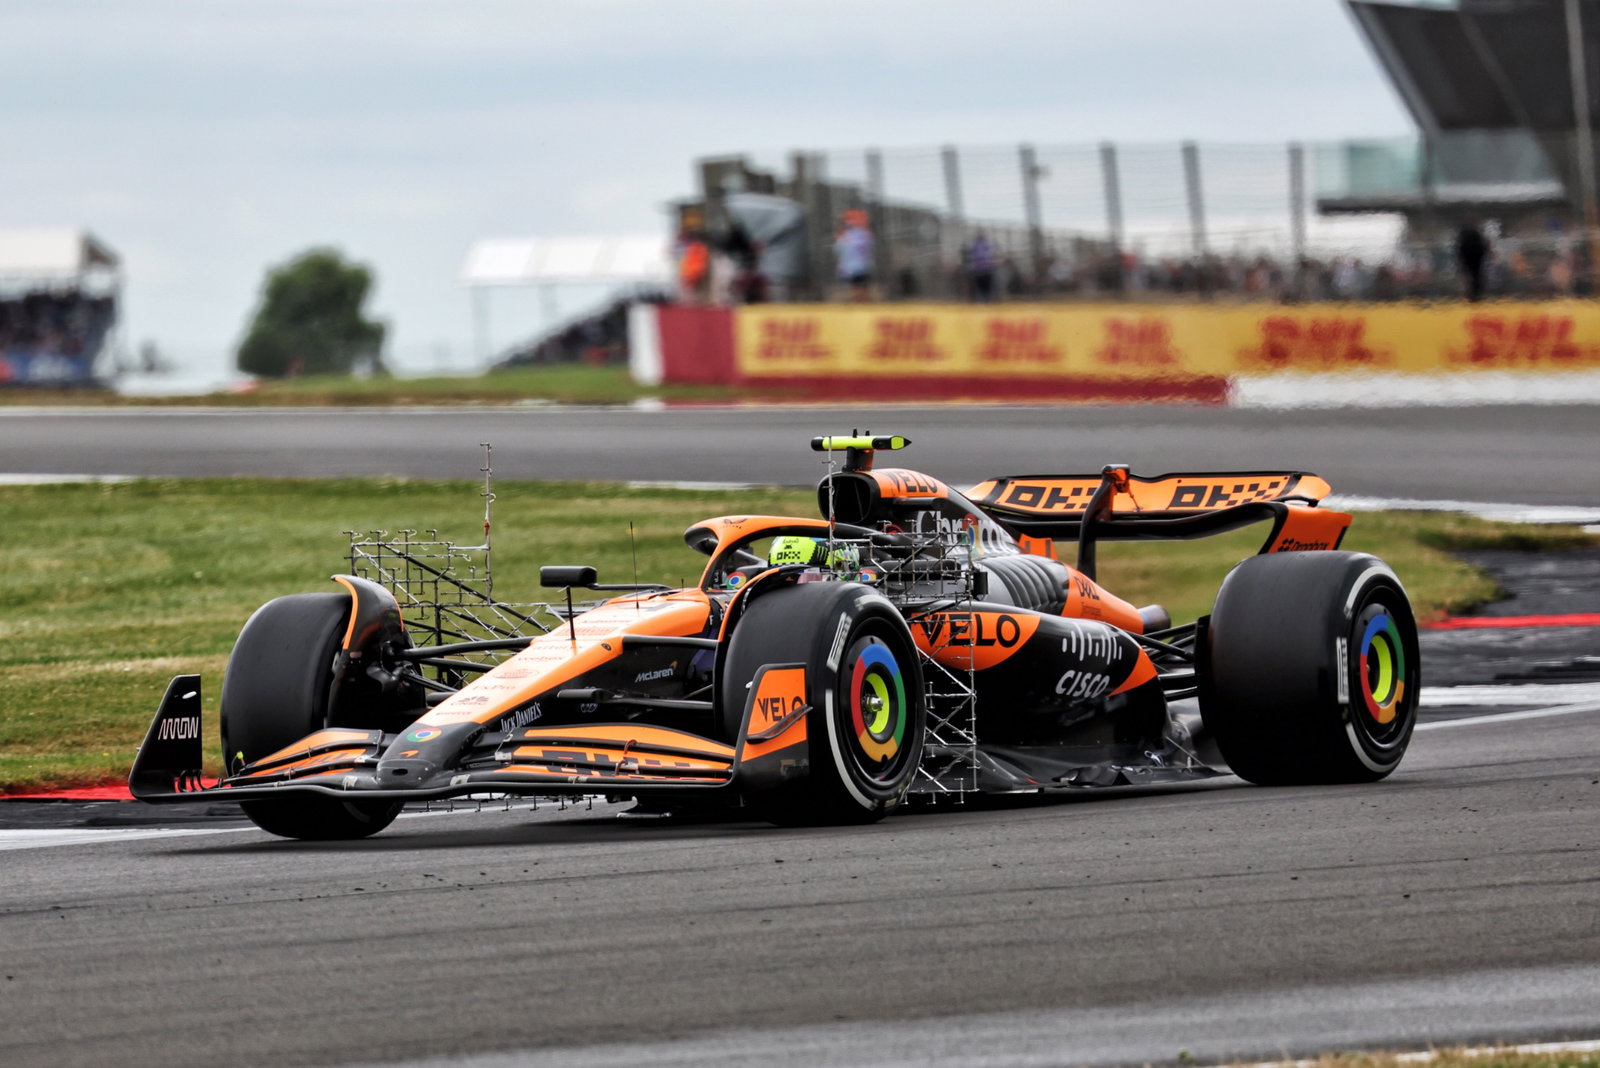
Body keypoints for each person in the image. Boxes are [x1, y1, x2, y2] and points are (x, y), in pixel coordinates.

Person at [833, 209, 874, 301]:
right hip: (855, 266)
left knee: (858, 288)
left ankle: (860, 302)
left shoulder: (854, 235)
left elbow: (840, 249)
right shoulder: (862, 234)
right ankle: (859, 301)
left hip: (855, 266)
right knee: (857, 288)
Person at [1456, 216, 1490, 302]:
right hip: (1470, 261)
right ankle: (1473, 296)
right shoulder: (1467, 234)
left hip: (1475, 261)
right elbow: (1461, 249)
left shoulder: (1476, 234)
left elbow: (1483, 248)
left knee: (1475, 278)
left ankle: (1475, 296)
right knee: (1471, 278)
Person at [964, 230, 997, 302]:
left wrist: (971, 268)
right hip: (987, 270)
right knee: (987, 289)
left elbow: (972, 258)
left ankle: (981, 301)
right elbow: (991, 256)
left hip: (978, 271)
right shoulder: (987, 245)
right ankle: (987, 300)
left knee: (980, 289)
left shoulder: (974, 246)